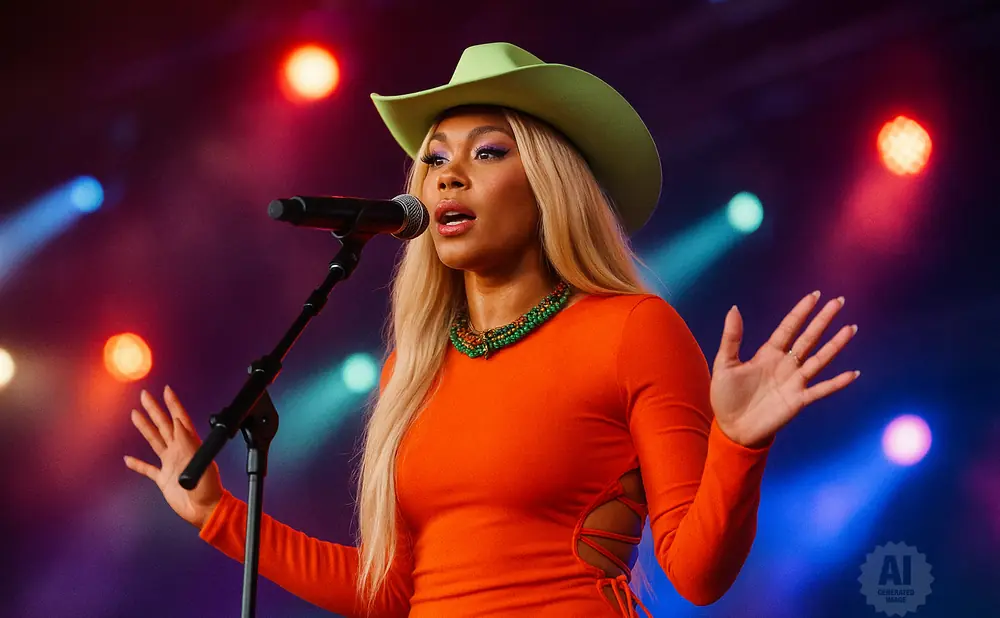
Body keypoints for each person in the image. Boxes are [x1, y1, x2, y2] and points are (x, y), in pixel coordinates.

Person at [123, 42, 860, 617]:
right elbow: (393, 591)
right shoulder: (410, 368)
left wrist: (738, 443)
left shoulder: (632, 329)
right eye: (435, 159)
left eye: (487, 152)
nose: (448, 176)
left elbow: (697, 576)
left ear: (547, 183)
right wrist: (219, 516)